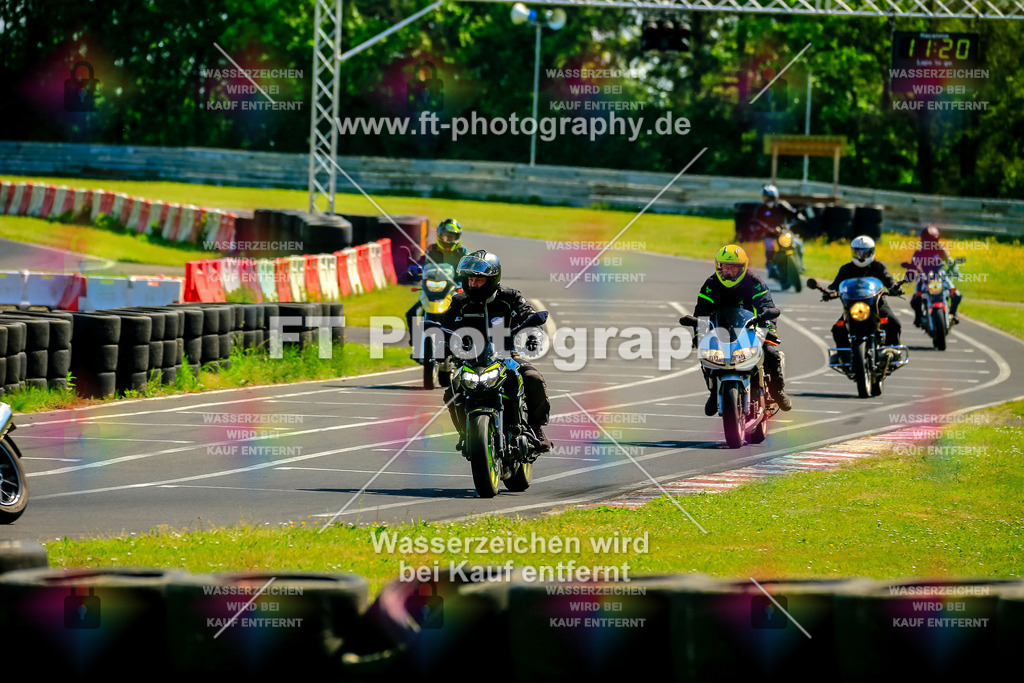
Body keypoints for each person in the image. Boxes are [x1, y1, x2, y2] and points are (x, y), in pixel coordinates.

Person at [439, 250, 552, 453]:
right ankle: (466, 434)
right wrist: (441, 346)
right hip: (471, 360)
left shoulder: (510, 297)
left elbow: (528, 316)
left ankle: (536, 428)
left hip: (506, 355)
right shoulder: (459, 302)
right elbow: (445, 327)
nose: (473, 284)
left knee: (533, 378)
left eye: (478, 280)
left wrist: (533, 334)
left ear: (492, 279)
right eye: (470, 279)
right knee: (452, 392)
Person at [693, 244, 793, 415]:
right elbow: (702, 311)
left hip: (751, 330)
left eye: (733, 267)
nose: (729, 271)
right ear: (719, 266)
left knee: (771, 352)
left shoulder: (754, 282)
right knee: (705, 354)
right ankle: (713, 392)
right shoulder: (711, 284)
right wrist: (699, 334)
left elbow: (767, 306)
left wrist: (769, 331)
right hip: (720, 331)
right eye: (725, 266)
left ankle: (777, 391)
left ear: (742, 267)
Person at [821, 235, 903, 356]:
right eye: (857, 252)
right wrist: (828, 292)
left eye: (865, 252)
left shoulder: (878, 267)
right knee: (838, 328)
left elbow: (889, 280)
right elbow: (835, 285)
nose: (861, 256)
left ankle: (893, 350)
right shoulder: (846, 269)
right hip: (853, 306)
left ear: (872, 252)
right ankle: (843, 354)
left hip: (877, 304)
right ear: (852, 252)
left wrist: (895, 288)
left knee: (894, 323)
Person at [406, 218, 469, 333]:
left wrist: (466, 277)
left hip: (455, 289)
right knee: (411, 313)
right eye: (446, 236)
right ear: (439, 235)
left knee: (467, 314)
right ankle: (416, 346)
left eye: (452, 236)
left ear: (458, 236)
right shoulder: (431, 249)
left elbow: (469, 266)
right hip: (433, 288)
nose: (448, 239)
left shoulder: (463, 252)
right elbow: (421, 262)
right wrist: (416, 268)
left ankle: (464, 341)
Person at [906, 226, 962, 327]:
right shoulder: (919, 252)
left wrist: (954, 270)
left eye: (932, 240)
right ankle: (919, 317)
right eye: (927, 240)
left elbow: (950, 261)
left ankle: (953, 314)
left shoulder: (941, 250)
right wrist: (911, 272)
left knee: (956, 294)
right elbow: (913, 265)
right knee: (915, 298)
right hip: (924, 277)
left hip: (941, 276)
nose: (930, 243)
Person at [749, 184, 805, 270]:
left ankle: (800, 265)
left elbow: (792, 213)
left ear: (775, 197)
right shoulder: (761, 208)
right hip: (769, 234)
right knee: (769, 246)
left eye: (770, 197)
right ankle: (770, 264)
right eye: (765, 197)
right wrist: (762, 228)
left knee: (798, 244)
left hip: (783, 232)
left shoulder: (782, 205)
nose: (768, 200)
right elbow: (755, 220)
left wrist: (798, 215)